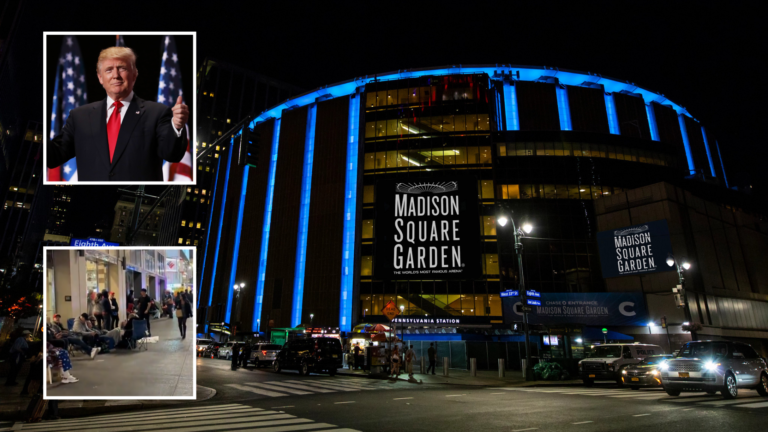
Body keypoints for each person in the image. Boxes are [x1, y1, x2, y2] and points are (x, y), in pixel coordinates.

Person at [46, 46, 189, 181]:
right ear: (100, 78)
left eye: (122, 68)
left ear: (134, 75)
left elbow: (172, 154)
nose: (116, 75)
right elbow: (53, 157)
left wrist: (176, 127)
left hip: (135, 200)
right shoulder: (79, 117)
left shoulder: (157, 113)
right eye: (109, 70)